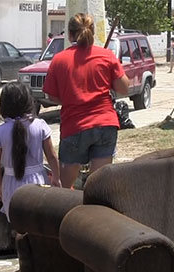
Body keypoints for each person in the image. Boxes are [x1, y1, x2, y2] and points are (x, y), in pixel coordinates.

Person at [43, 13, 129, 188]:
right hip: (105, 124)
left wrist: (69, 97)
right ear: (92, 33)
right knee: (99, 185)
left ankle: (66, 214)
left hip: (74, 125)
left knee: (65, 188)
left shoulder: (59, 60)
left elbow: (51, 95)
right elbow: (124, 88)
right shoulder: (106, 56)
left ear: (70, 34)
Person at [0, 81, 61, 221]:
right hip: (39, 181)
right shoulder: (40, 126)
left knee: (18, 224)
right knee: (39, 222)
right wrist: (57, 178)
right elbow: (52, 156)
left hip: (11, 184)